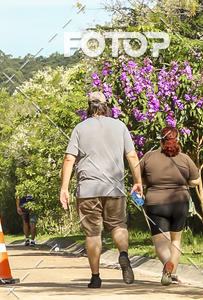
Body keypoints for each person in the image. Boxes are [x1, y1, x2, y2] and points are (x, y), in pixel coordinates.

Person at [59, 91, 143, 288]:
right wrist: (138, 181)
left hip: (88, 189)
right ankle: (123, 254)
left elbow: (69, 159)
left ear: (89, 107)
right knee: (118, 225)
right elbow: (132, 156)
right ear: (106, 106)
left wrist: (64, 188)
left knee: (93, 233)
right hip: (114, 187)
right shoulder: (120, 126)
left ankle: (95, 277)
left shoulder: (80, 128)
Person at [140, 126, 201, 285]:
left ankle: (167, 262)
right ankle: (171, 274)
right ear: (177, 141)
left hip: (155, 204)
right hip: (179, 203)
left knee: (160, 241)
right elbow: (196, 181)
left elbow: (139, 179)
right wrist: (183, 182)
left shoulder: (148, 157)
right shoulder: (185, 158)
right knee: (176, 240)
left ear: (160, 141)